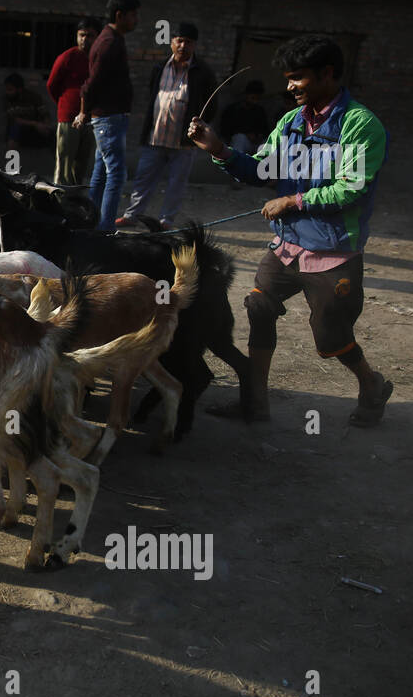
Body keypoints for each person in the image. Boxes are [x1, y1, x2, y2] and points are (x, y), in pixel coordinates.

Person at [187, 34, 392, 427]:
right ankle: (255, 404)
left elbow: (351, 186)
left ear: (327, 74)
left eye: (297, 77)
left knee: (329, 340)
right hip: (286, 246)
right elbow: (260, 169)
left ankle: (371, 383)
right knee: (259, 307)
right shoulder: (290, 122)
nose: (289, 87)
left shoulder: (361, 125)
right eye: (287, 78)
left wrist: (293, 201)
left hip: (333, 251)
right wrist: (219, 150)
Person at [121, 21, 216, 229]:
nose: (183, 46)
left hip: (184, 142)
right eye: (179, 41)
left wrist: (199, 127)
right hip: (155, 137)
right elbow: (151, 96)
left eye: (188, 42)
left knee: (176, 184)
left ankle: (166, 221)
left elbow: (212, 104)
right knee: (143, 180)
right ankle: (132, 216)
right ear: (171, 42)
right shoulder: (159, 67)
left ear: (195, 45)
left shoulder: (203, 72)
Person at [74, 0, 139, 230]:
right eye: (133, 15)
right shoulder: (109, 43)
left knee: (101, 174)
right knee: (116, 174)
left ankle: (91, 223)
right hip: (108, 119)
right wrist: (82, 112)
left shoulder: (112, 39)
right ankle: (105, 229)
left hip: (110, 118)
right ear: (120, 15)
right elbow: (91, 84)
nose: (136, 20)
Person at [46, 15, 103, 186]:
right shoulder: (67, 57)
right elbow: (52, 85)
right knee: (65, 162)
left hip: (91, 119)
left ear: (97, 37)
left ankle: (76, 198)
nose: (85, 39)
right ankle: (60, 197)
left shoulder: (99, 60)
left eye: (90, 35)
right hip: (69, 118)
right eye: (82, 35)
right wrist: (66, 105)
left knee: (82, 163)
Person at [220, 79, 272, 155]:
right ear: (246, 95)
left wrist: (258, 136)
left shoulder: (259, 110)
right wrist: (246, 135)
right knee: (239, 138)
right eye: (252, 97)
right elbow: (226, 130)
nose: (255, 101)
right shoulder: (233, 110)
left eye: (257, 98)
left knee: (269, 143)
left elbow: (265, 130)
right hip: (241, 143)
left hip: (256, 144)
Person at [3, 72, 52, 152]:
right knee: (14, 129)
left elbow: (45, 114)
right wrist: (35, 124)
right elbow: (15, 120)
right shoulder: (7, 100)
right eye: (7, 89)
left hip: (34, 130)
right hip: (20, 130)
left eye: (10, 90)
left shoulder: (33, 97)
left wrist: (46, 125)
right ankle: (12, 161)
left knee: (52, 134)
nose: (7, 92)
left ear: (19, 89)